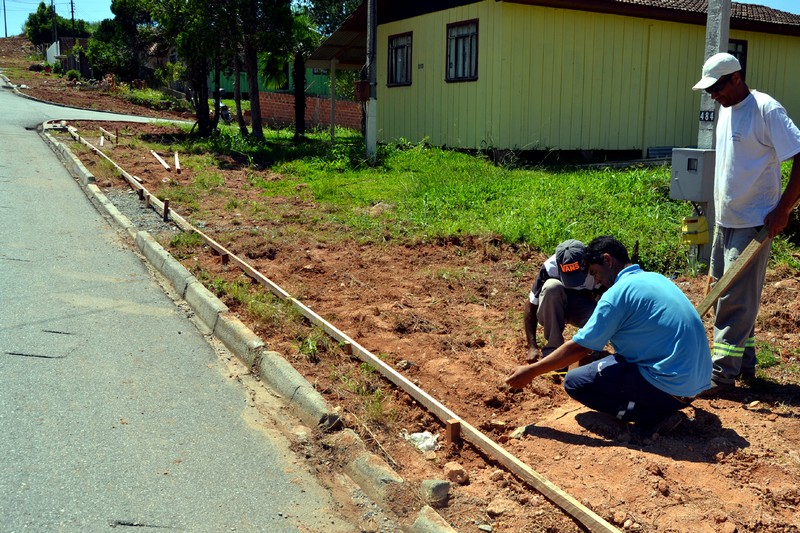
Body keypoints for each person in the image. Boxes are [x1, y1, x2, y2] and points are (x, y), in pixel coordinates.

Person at [506, 236, 711, 431]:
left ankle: (652, 417)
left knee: (575, 382)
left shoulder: (617, 293)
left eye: (595, 272)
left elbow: (579, 348)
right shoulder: (655, 278)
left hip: (668, 388)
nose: (597, 280)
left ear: (607, 260)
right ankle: (658, 405)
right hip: (695, 384)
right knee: (613, 362)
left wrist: (531, 372)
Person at [691, 53, 800, 394]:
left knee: (732, 300)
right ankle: (746, 365)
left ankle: (721, 376)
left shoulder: (766, 110)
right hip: (726, 221)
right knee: (734, 295)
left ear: (736, 78)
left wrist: (783, 209)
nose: (713, 95)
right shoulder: (727, 111)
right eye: (709, 89)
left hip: (755, 222)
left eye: (717, 87)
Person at [523, 239, 598, 362]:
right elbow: (531, 304)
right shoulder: (550, 267)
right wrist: (532, 346)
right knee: (551, 287)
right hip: (554, 307)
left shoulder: (597, 265)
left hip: (583, 308)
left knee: (601, 310)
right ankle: (553, 351)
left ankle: (587, 350)